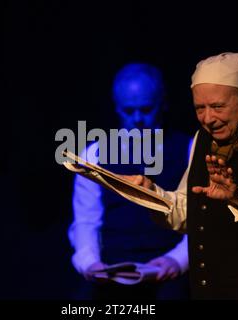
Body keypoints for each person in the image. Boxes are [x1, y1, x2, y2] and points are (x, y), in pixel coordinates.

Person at [125, 52, 238, 299]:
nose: (208, 119)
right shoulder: (202, 140)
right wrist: (149, 195)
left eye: (217, 107)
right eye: (200, 108)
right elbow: (188, 213)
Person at [68, 63, 192, 300]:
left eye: (146, 109)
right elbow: (86, 221)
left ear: (163, 103)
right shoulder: (93, 155)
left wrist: (177, 260)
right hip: (112, 268)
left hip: (168, 268)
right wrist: (90, 263)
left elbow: (202, 221)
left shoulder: (188, 150)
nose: (137, 119)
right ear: (116, 108)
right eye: (128, 110)